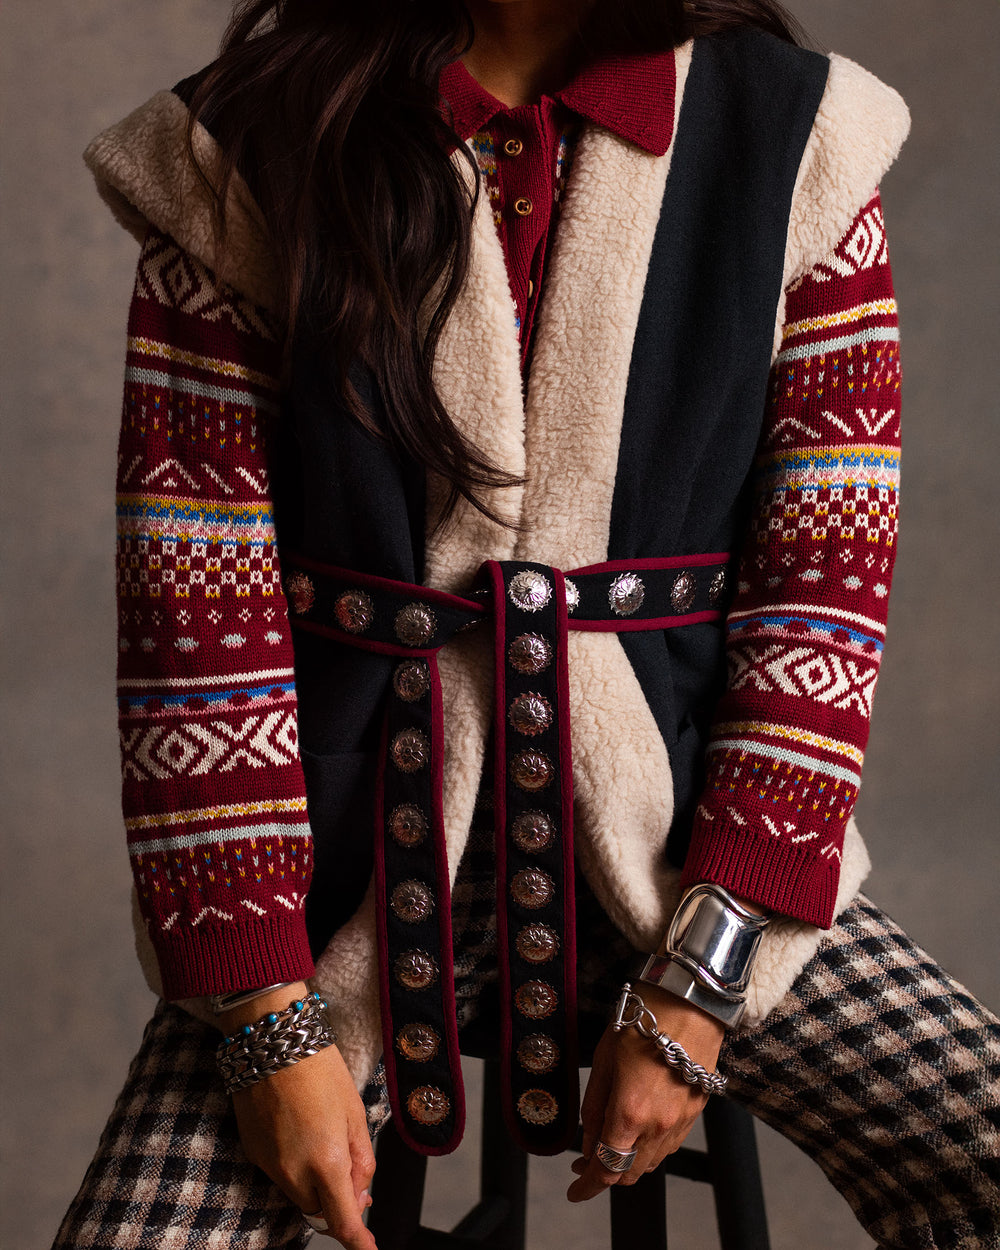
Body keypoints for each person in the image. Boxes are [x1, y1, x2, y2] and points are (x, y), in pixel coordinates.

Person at [56, 0, 1000, 1246]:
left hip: (675, 857)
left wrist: (700, 980)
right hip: (336, 889)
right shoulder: (248, 145)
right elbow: (192, 609)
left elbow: (822, 586)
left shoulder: (800, 137)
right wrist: (264, 1021)